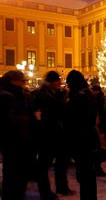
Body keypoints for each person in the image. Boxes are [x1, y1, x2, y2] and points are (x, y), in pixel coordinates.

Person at [31, 71, 73, 199]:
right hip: (48, 133)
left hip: (55, 133)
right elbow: (58, 111)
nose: (59, 83)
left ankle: (61, 187)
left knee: (60, 161)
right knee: (45, 164)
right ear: (51, 82)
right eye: (57, 81)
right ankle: (46, 192)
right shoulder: (44, 95)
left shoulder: (49, 93)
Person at [0, 70, 35, 200]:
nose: (24, 83)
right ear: (12, 81)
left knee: (15, 175)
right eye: (22, 81)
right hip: (14, 140)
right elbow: (8, 120)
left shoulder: (17, 94)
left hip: (18, 140)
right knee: (13, 175)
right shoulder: (7, 96)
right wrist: (28, 119)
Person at [64, 70, 99, 200]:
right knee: (86, 175)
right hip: (85, 139)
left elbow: (73, 120)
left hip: (82, 140)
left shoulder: (80, 98)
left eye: (69, 84)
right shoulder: (85, 95)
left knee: (85, 175)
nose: (68, 86)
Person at [91, 84, 106, 177]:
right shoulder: (100, 98)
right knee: (98, 147)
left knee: (99, 147)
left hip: (99, 126)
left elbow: (101, 114)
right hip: (99, 126)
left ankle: (97, 167)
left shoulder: (99, 100)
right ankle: (97, 167)